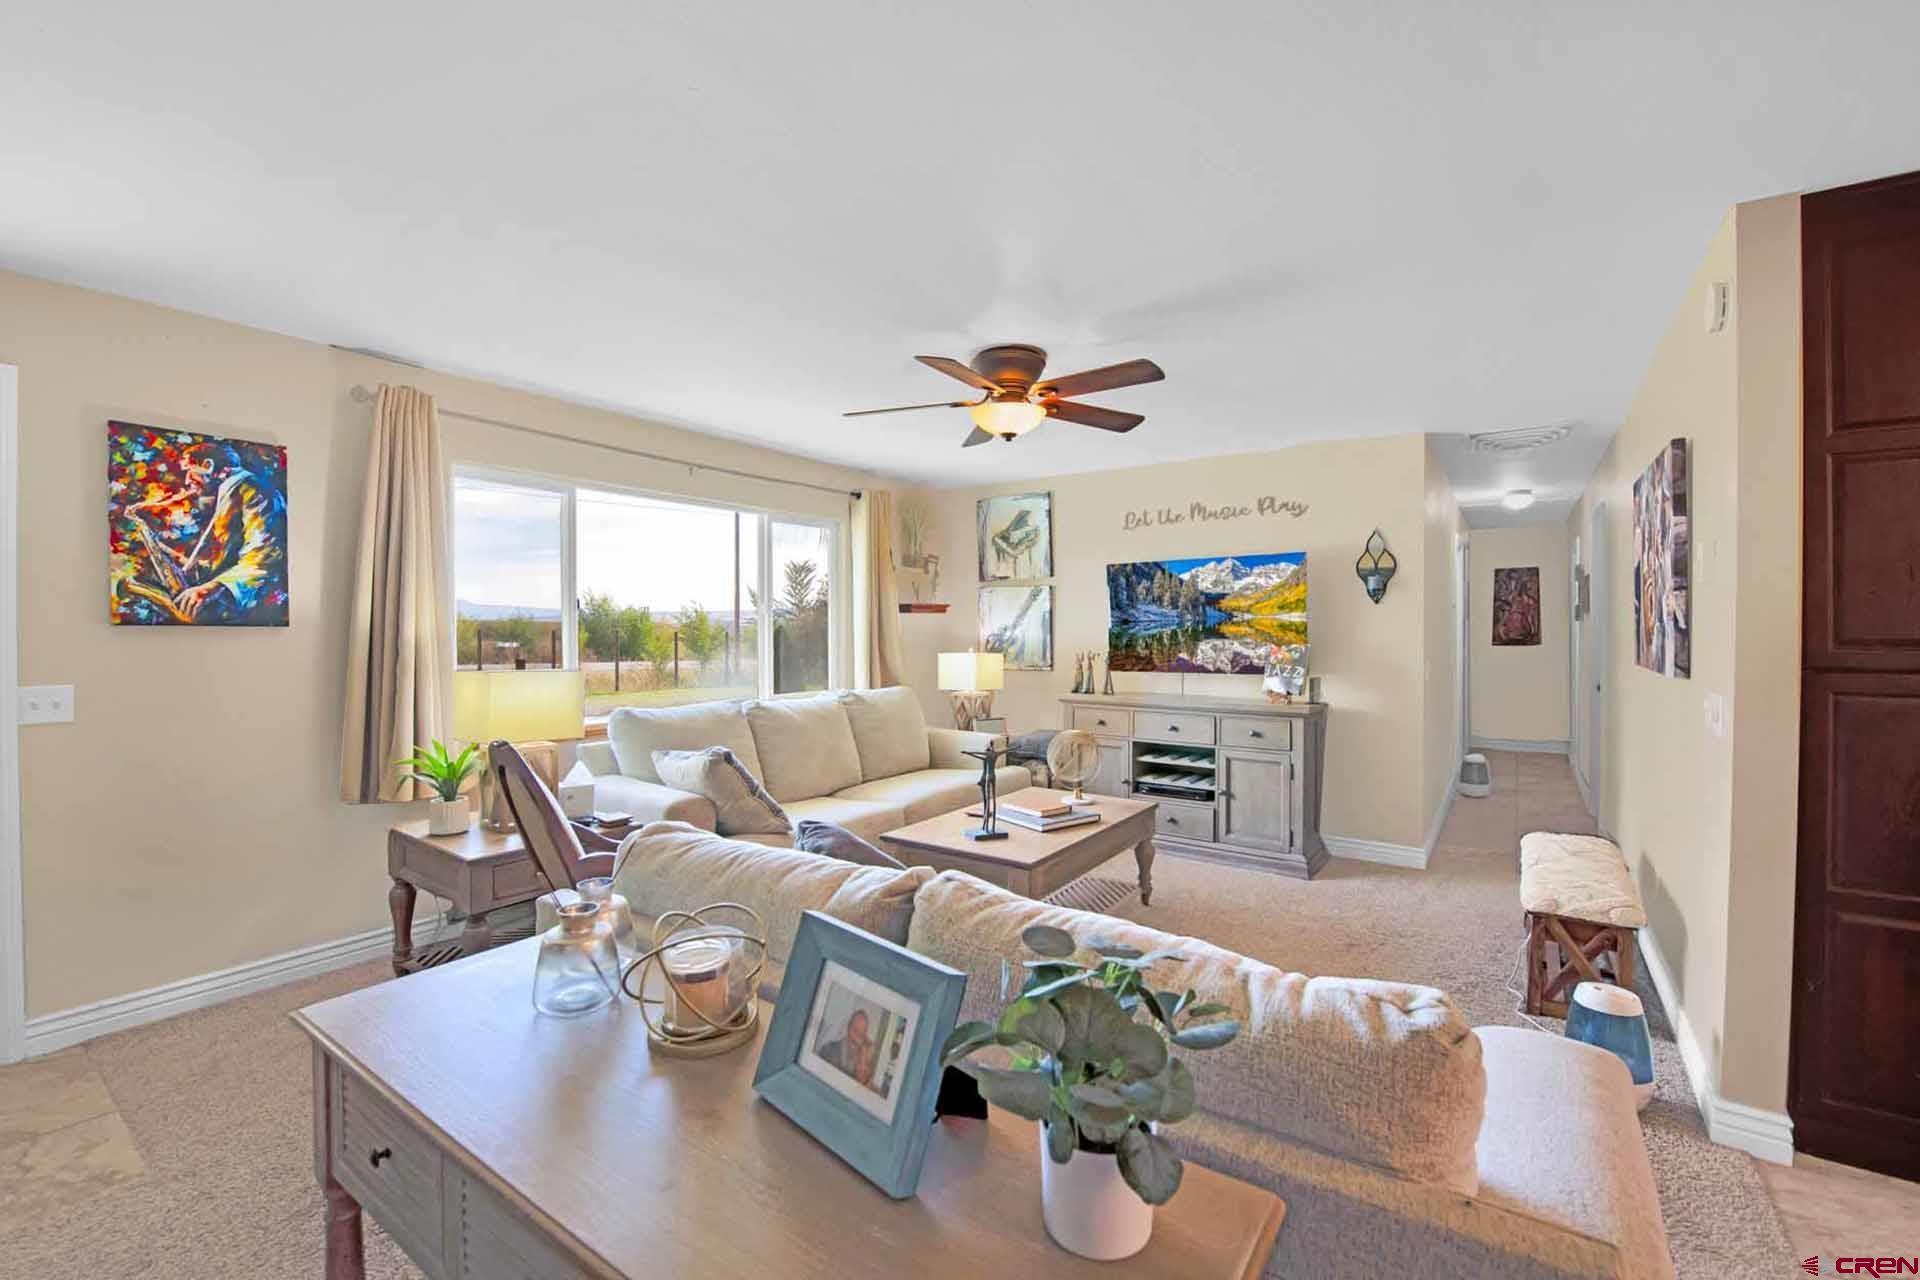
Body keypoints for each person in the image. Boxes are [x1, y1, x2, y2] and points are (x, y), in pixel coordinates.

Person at [815, 1007, 877, 1086]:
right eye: (856, 1030)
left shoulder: (864, 1059)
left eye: (863, 1032)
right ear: (849, 1027)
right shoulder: (828, 1049)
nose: (858, 1036)